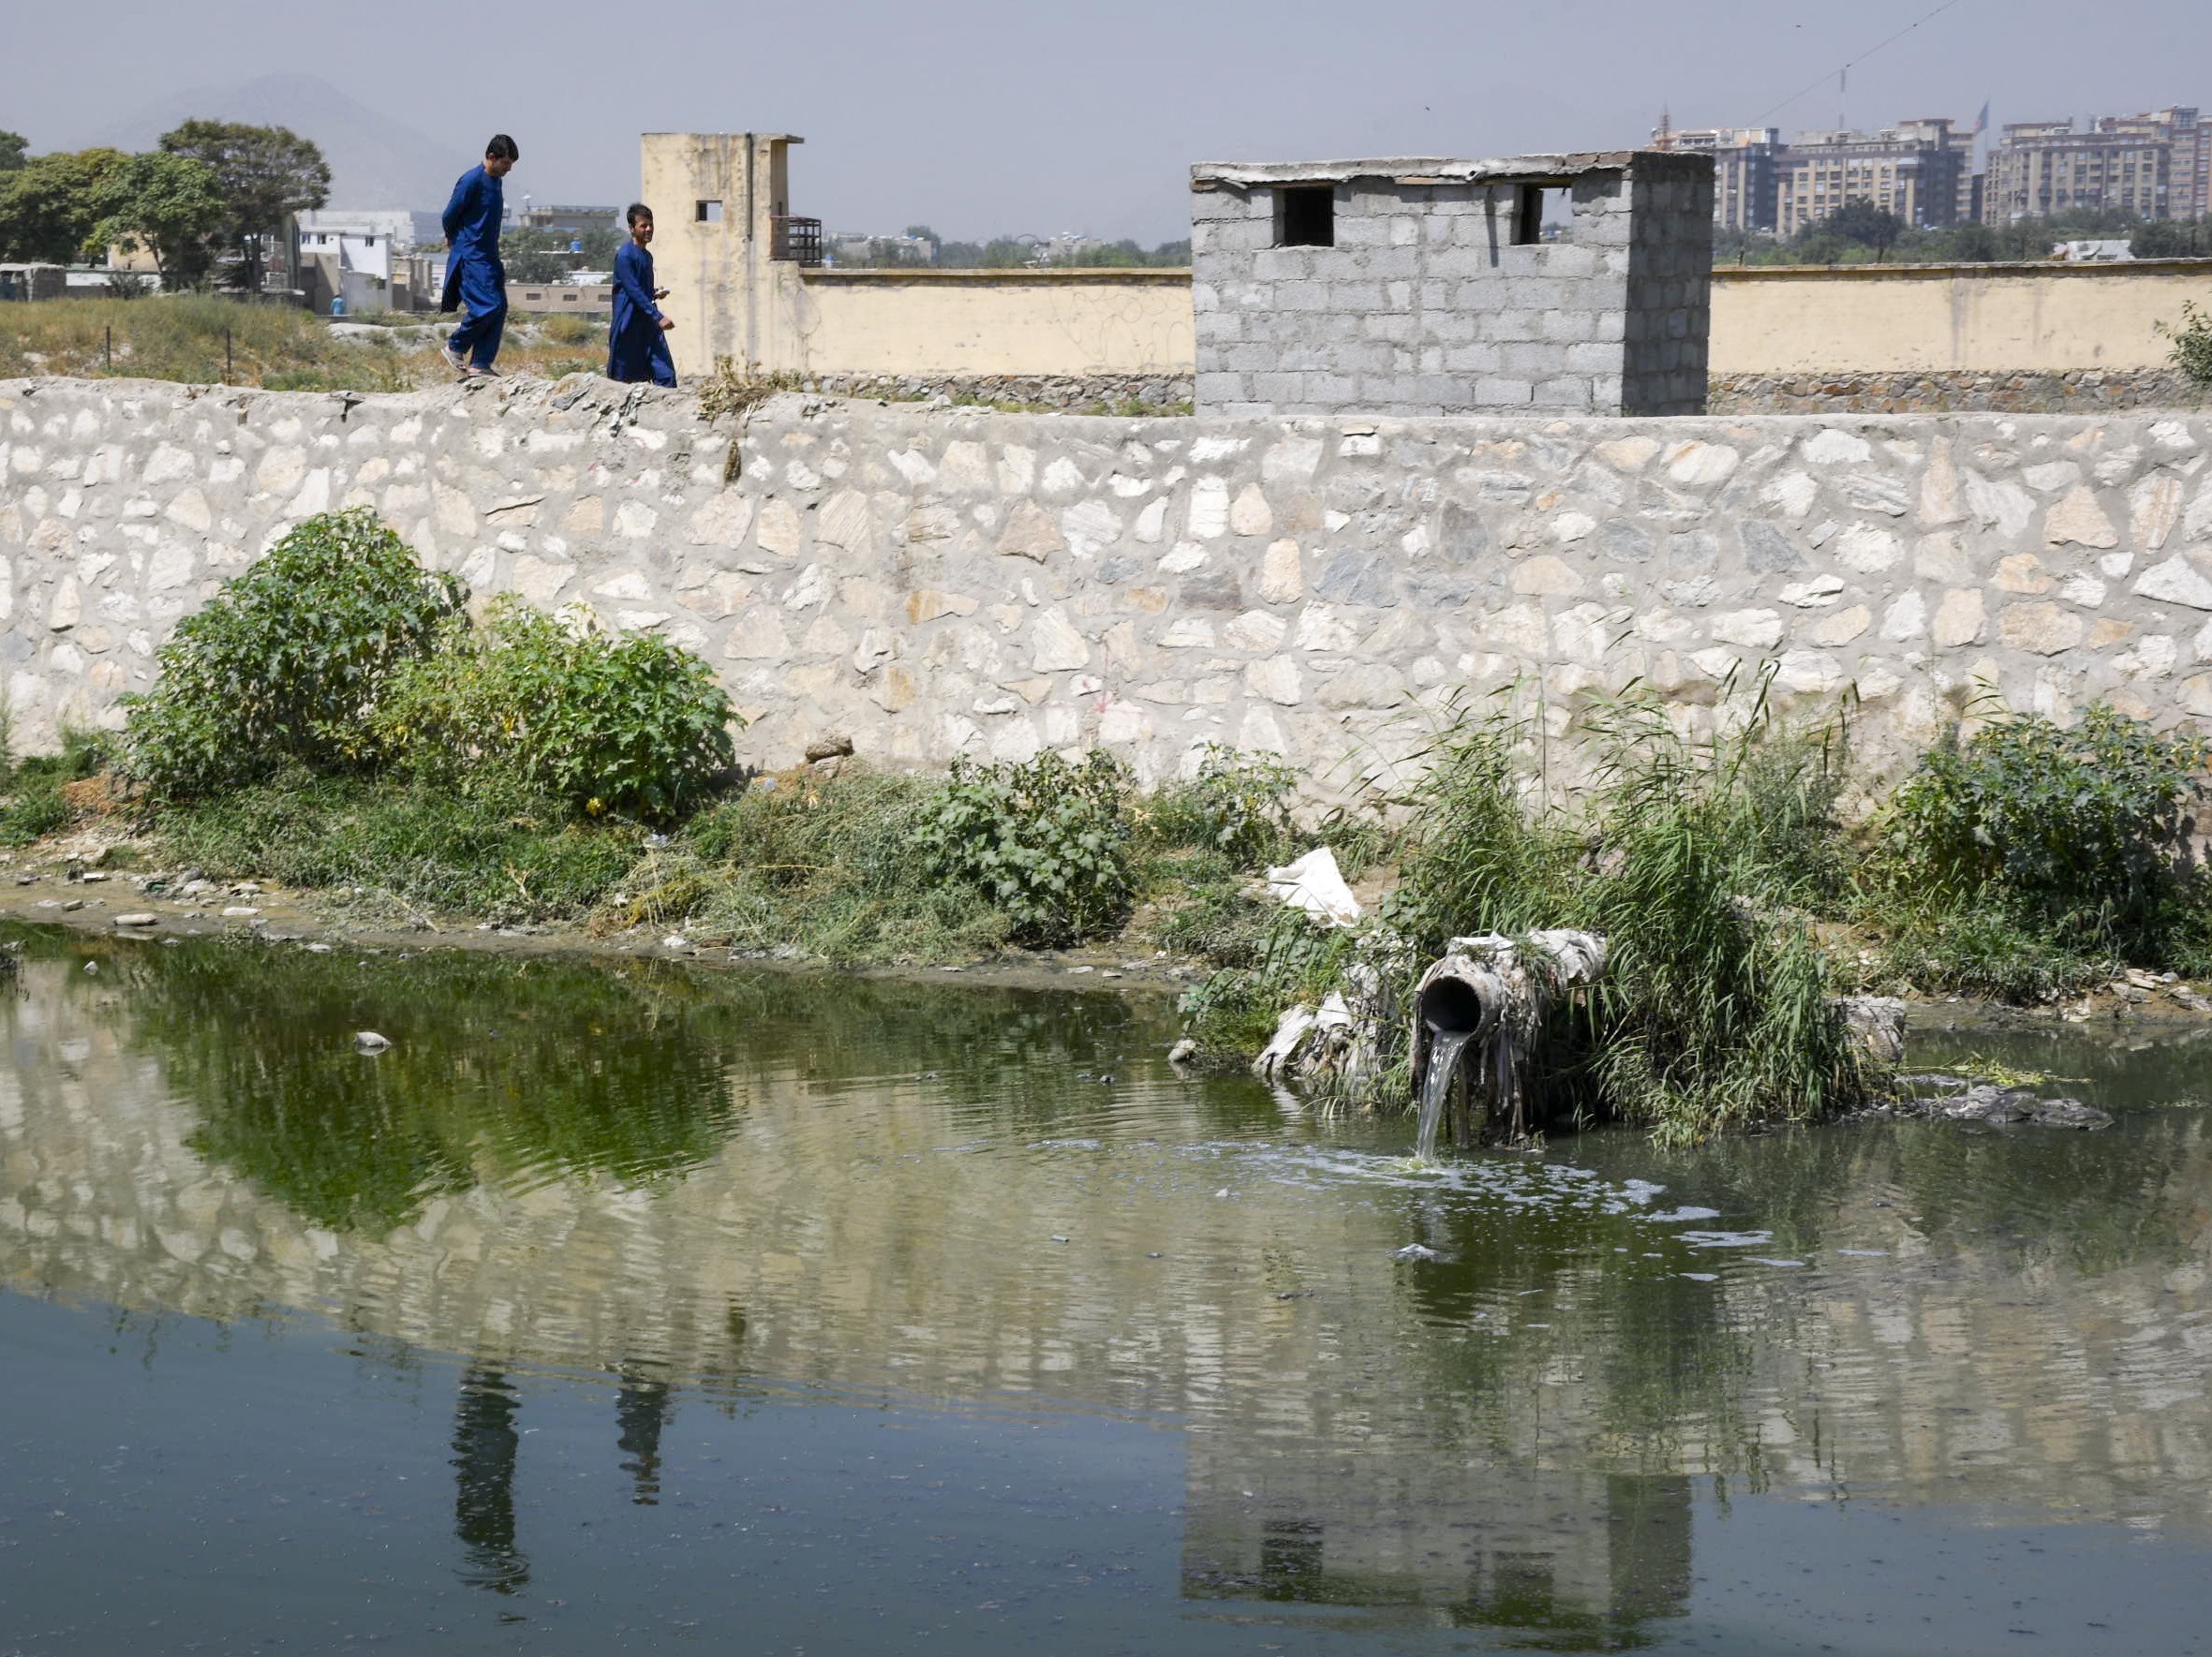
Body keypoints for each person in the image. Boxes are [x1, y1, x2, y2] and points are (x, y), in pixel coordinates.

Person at [439, 134, 517, 377]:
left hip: (489, 255)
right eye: (505, 164)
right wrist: (453, 238)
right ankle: (455, 345)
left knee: (499, 307)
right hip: (471, 255)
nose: (508, 169)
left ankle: (480, 363)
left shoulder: (496, 181)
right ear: (491, 157)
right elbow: (449, 215)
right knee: (486, 306)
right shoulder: (471, 180)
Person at [606, 203, 676, 387]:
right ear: (632, 228)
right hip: (628, 327)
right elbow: (633, 291)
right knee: (623, 383)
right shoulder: (624, 256)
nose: (649, 229)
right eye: (643, 225)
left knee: (666, 376)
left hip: (648, 327)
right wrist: (659, 317)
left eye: (651, 225)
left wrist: (654, 294)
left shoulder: (647, 257)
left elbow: (642, 292)